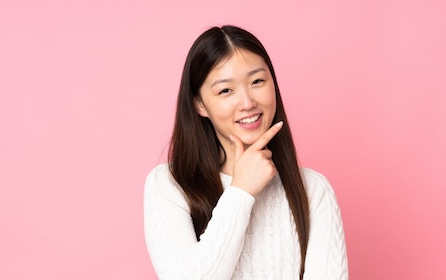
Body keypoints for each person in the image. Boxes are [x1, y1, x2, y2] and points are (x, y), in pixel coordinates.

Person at [144, 25, 348, 280]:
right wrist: (241, 192)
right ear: (199, 104)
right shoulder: (169, 185)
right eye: (226, 90)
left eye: (257, 81)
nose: (247, 103)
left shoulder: (313, 190)